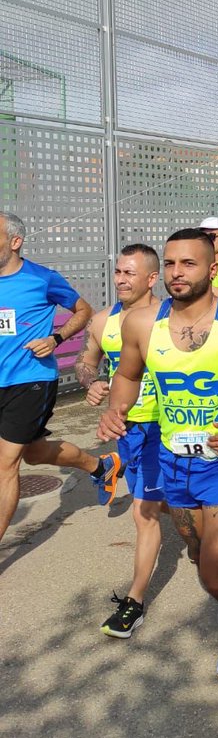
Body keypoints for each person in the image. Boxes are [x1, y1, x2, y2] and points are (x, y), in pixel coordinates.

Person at [98, 228, 218, 692]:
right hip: (173, 462)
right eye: (169, 264)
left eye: (187, 264)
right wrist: (115, 408)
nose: (176, 272)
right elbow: (127, 374)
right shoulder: (142, 324)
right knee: (200, 556)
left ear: (212, 269)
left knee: (216, 570)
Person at [0, 212, 114, 545]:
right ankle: (99, 465)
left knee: (6, 464)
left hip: (30, 380)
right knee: (33, 453)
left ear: (15, 242)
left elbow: (84, 311)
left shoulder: (41, 279)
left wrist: (55, 339)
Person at [76, 244, 167, 637]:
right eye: (117, 272)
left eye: (129, 273)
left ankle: (135, 597)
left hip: (170, 428)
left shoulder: (171, 317)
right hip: (129, 429)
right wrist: (91, 382)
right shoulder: (101, 321)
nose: (120, 280)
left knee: (158, 511)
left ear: (151, 278)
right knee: (148, 512)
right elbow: (87, 360)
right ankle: (137, 602)